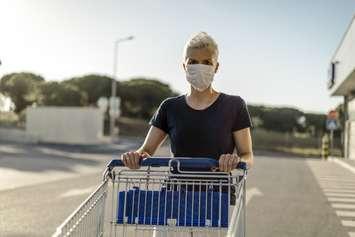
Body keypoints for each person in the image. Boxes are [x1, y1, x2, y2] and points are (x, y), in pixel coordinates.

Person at [121, 31, 254, 171]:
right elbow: (146, 151)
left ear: (216, 67)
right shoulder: (169, 107)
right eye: (193, 62)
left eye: (207, 62)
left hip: (218, 191)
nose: (200, 67)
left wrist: (237, 160)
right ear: (184, 66)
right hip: (176, 191)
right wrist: (135, 157)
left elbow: (247, 155)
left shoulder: (234, 105)